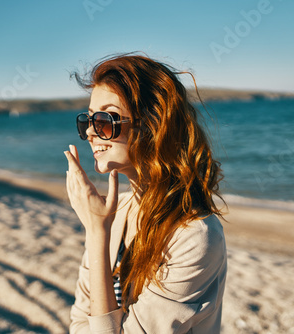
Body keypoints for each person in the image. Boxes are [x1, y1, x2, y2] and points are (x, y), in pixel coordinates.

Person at [64, 53, 227, 334]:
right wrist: (98, 230)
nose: (90, 131)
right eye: (88, 120)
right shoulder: (113, 213)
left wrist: (96, 234)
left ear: (152, 124)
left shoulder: (194, 236)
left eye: (105, 119)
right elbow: (80, 322)